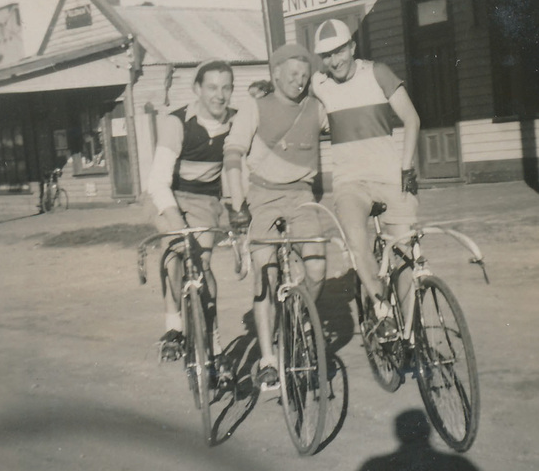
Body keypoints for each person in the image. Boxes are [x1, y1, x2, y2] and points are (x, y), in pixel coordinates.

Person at [224, 43, 329, 388]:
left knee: (317, 267)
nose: (299, 81)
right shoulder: (254, 108)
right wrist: (238, 206)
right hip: (262, 195)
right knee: (265, 275)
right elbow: (234, 155)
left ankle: (298, 319)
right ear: (275, 74)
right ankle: (269, 358)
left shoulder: (316, 108)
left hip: (301, 195)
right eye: (292, 74)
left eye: (304, 75)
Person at [311, 19, 420, 340]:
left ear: (352, 48)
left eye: (340, 51)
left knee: (404, 253)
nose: (335, 60)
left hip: (391, 178)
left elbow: (411, 118)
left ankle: (410, 333)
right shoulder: (319, 84)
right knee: (356, 242)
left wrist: (406, 166)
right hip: (350, 184)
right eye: (327, 55)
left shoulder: (378, 72)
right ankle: (381, 309)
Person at [147, 58, 235, 381]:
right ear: (197, 89)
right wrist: (176, 223)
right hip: (169, 195)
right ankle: (174, 327)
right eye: (212, 87)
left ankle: (214, 344)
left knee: (203, 265)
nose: (219, 95)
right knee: (174, 254)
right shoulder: (178, 123)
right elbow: (157, 182)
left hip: (204, 201)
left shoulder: (236, 123)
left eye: (226, 87)